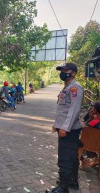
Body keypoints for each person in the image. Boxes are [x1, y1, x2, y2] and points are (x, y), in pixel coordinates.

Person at [46, 63, 84, 193]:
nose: (62, 72)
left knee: (65, 158)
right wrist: (57, 124)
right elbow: (63, 109)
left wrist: (65, 128)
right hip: (64, 128)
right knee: (71, 156)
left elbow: (74, 110)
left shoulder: (75, 88)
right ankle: (72, 182)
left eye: (65, 70)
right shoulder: (67, 88)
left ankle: (63, 188)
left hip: (69, 130)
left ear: (73, 72)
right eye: (61, 70)